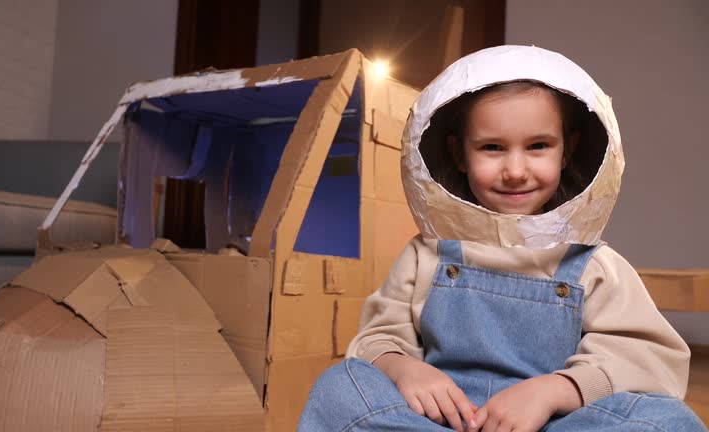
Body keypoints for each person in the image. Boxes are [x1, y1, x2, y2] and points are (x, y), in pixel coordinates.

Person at [298, 45, 707, 431]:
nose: (515, 170)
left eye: (538, 146)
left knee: (666, 420)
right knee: (338, 389)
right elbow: (378, 338)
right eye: (492, 147)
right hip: (440, 421)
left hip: (551, 423)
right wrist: (404, 369)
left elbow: (647, 358)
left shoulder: (592, 263)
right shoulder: (427, 254)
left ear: (566, 151)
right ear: (459, 154)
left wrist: (553, 391)